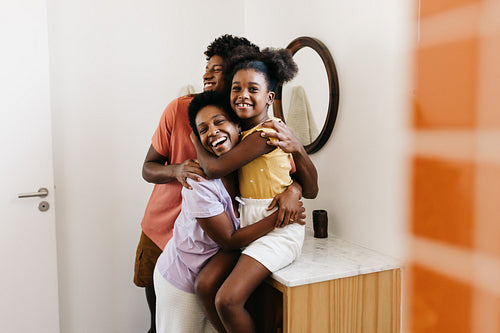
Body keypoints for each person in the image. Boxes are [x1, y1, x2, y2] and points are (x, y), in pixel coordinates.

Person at [134, 35, 306, 333]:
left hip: (220, 236)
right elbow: (148, 168)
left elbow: (287, 176)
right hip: (166, 234)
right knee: (161, 323)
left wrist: (292, 190)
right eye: (207, 68)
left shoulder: (250, 126)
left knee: (213, 306)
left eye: (217, 70)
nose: (207, 75)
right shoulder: (181, 110)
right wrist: (176, 170)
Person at [191, 47, 318, 332]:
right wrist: (293, 188)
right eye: (236, 88)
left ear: (269, 97)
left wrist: (193, 134)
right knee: (205, 284)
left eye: (253, 88)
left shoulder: (267, 133)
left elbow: (215, 169)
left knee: (228, 299)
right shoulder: (241, 132)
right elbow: (290, 179)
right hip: (248, 220)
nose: (242, 95)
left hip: (278, 227)